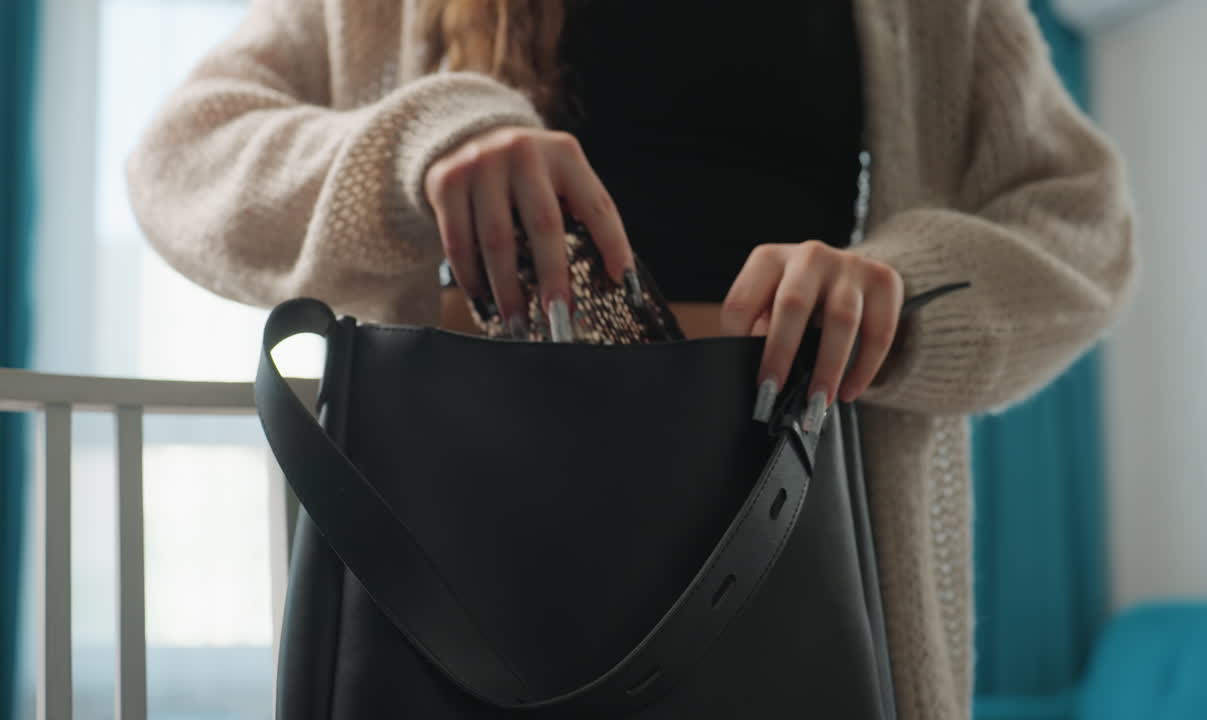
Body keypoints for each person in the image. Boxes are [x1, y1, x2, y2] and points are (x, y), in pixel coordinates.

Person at [126, 1, 1140, 717]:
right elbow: (179, 156)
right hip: (455, 523)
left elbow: (1081, 227)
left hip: (788, 510)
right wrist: (418, 151)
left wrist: (896, 292)